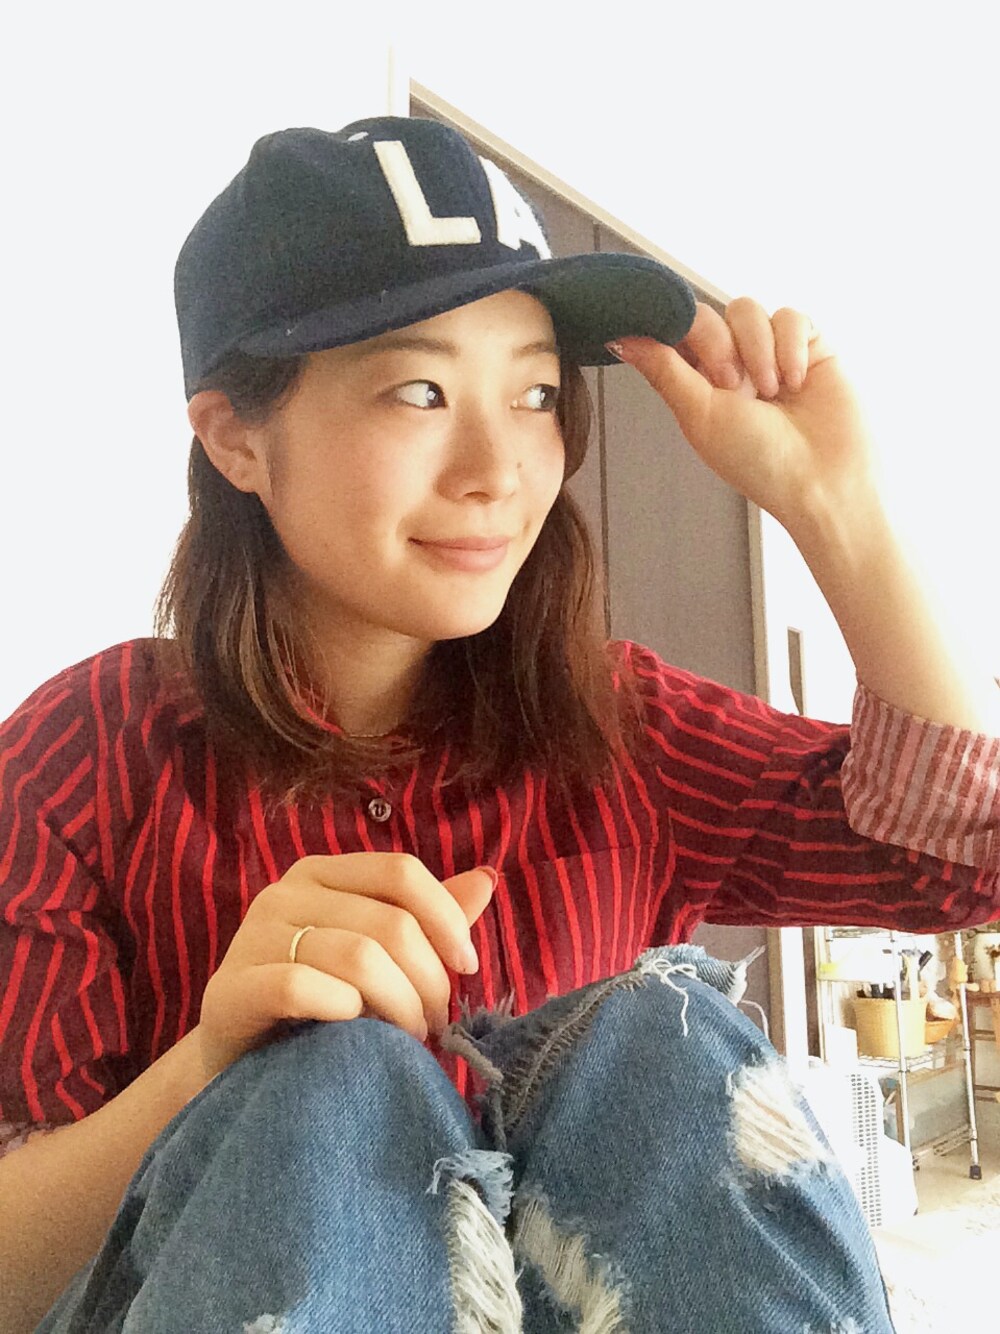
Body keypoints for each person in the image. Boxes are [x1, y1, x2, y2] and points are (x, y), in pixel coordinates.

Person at [1, 114, 997, 1333]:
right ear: (235, 437)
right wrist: (209, 1065)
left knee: (659, 1038)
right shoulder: (82, 755)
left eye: (534, 392)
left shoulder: (625, 727)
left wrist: (837, 505)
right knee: (331, 1077)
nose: (500, 468)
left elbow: (958, 861)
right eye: (421, 389)